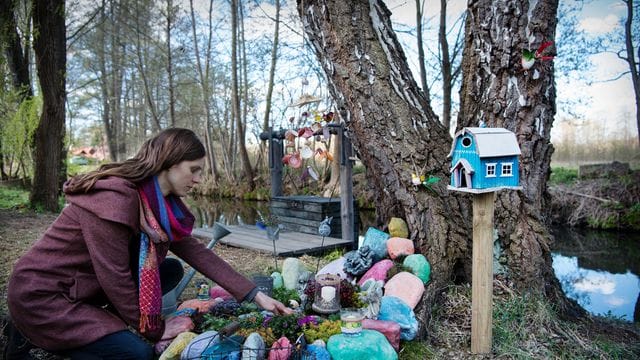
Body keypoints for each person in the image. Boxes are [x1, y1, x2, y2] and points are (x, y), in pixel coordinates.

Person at [4, 128, 292, 359]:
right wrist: (156, 328)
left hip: (83, 287)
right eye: (194, 169)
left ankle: (99, 325)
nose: (198, 179)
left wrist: (255, 295)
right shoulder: (116, 198)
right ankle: (31, 332)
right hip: (45, 297)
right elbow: (115, 276)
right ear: (169, 162)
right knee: (137, 353)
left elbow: (197, 252)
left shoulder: (158, 202)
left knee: (169, 270)